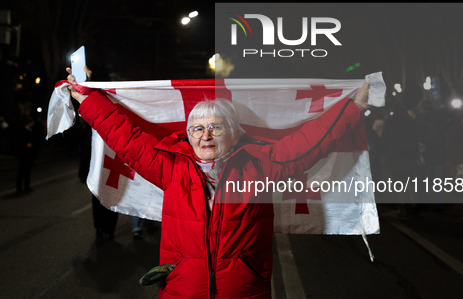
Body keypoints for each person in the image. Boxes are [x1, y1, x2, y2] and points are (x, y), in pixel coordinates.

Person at [66, 66, 369, 299]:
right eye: (196, 129)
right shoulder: (171, 169)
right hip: (181, 292)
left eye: (215, 127)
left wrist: (354, 107)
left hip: (244, 292)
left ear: (234, 134)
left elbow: (308, 145)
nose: (205, 135)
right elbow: (128, 139)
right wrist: (87, 98)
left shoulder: (258, 168)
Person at [382, 101, 419, 216]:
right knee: (410, 179)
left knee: (399, 181)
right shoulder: (411, 121)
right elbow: (417, 137)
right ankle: (413, 203)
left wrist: (387, 155)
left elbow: (386, 140)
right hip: (410, 155)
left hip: (396, 156)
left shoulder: (390, 122)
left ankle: (403, 205)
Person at [15, 116, 39, 193]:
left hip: (30, 154)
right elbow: (18, 142)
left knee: (28, 171)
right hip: (23, 154)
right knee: (21, 171)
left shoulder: (31, 131)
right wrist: (25, 144)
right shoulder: (21, 131)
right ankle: (19, 187)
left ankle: (26, 186)